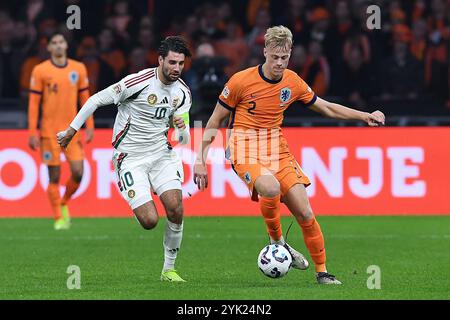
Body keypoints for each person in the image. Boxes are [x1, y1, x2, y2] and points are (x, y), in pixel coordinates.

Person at [193, 26, 385, 285]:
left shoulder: (292, 81)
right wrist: (200, 160)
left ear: (290, 54)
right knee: (270, 187)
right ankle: (278, 243)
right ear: (264, 52)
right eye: (275, 57)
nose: (280, 63)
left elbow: (326, 108)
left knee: (305, 213)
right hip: (243, 145)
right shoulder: (240, 80)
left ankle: (322, 273)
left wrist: (364, 116)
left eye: (284, 57)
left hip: (277, 147)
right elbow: (216, 119)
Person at [56, 36, 192, 282]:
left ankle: (169, 270)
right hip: (130, 158)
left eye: (181, 63)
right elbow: (96, 99)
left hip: (162, 154)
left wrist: (181, 128)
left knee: (175, 208)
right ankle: (133, 190)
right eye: (172, 62)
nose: (176, 68)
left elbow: (183, 138)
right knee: (150, 221)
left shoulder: (182, 92)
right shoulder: (137, 82)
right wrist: (71, 130)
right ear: (160, 60)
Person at [28, 32, 94, 230]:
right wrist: (32, 132)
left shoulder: (78, 68)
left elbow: (86, 100)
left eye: (61, 42)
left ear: (66, 46)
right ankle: (58, 217)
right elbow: (34, 104)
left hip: (71, 131)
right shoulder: (40, 71)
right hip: (49, 132)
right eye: (53, 43)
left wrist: (89, 125)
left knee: (78, 173)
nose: (58, 46)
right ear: (48, 48)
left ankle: (64, 201)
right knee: (54, 176)